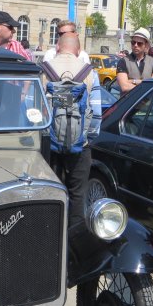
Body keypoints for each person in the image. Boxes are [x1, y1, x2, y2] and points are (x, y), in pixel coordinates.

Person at [41, 33, 95, 229]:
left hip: (50, 143)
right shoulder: (88, 71)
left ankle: (49, 232)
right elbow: (95, 112)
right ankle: (74, 239)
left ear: (57, 48)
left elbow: (35, 107)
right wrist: (87, 138)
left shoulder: (45, 69)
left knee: (49, 191)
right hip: (80, 144)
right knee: (78, 194)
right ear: (79, 50)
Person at [116, 28, 153, 94]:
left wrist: (133, 81)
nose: (135, 45)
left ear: (146, 45)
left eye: (139, 44)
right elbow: (124, 87)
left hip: (147, 103)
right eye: (133, 42)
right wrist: (145, 84)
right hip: (129, 103)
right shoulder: (123, 62)